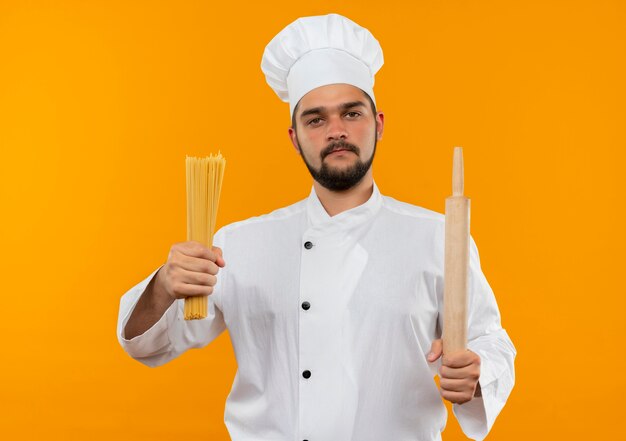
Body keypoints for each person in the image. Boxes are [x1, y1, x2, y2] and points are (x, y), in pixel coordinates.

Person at [117, 13, 516, 441]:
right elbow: (149, 345)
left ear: (378, 124)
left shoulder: (438, 237)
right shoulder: (238, 244)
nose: (337, 131)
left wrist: (476, 372)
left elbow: (491, 341)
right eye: (316, 119)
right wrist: (163, 285)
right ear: (294, 137)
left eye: (352, 113)